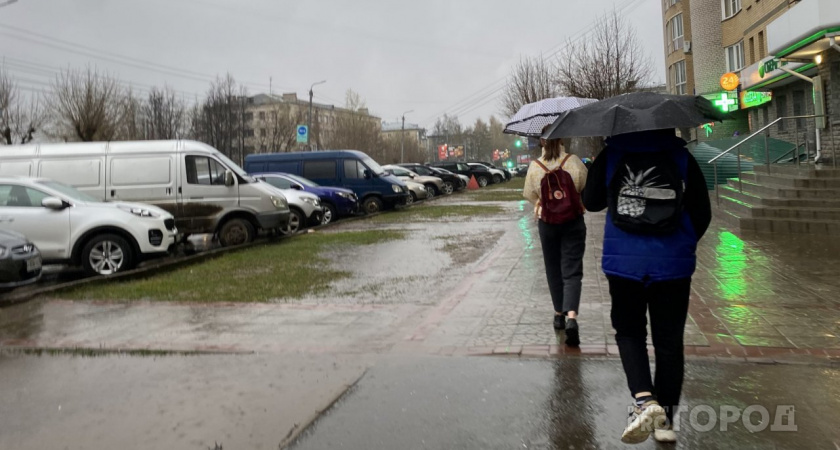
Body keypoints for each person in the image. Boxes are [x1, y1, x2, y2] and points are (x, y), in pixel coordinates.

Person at [582, 128, 711, 444]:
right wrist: (681, 243)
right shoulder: (682, 157)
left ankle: (644, 399)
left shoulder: (612, 155)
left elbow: (591, 202)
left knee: (629, 332)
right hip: (673, 266)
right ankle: (665, 421)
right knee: (669, 342)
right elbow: (703, 213)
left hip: (623, 265)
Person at [523, 133, 588, 346]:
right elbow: (584, 186)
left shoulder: (535, 167)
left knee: (553, 269)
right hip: (573, 222)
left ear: (542, 141)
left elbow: (529, 194)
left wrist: (545, 201)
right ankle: (572, 318)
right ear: (561, 139)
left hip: (547, 223)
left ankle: (558, 314)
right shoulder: (574, 162)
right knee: (572, 270)